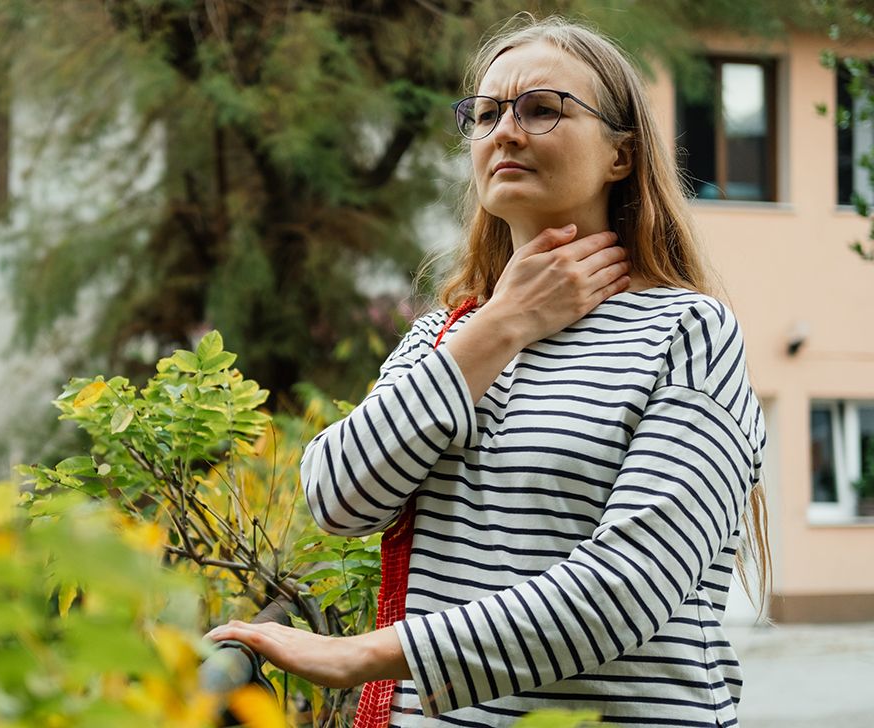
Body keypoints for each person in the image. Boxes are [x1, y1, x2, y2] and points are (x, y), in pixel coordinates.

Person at [206, 13, 770, 728]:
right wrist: (500, 327)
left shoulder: (688, 334)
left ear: (620, 156)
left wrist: (364, 655)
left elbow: (630, 587)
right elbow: (336, 498)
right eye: (486, 113)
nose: (505, 131)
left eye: (542, 110)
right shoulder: (442, 340)